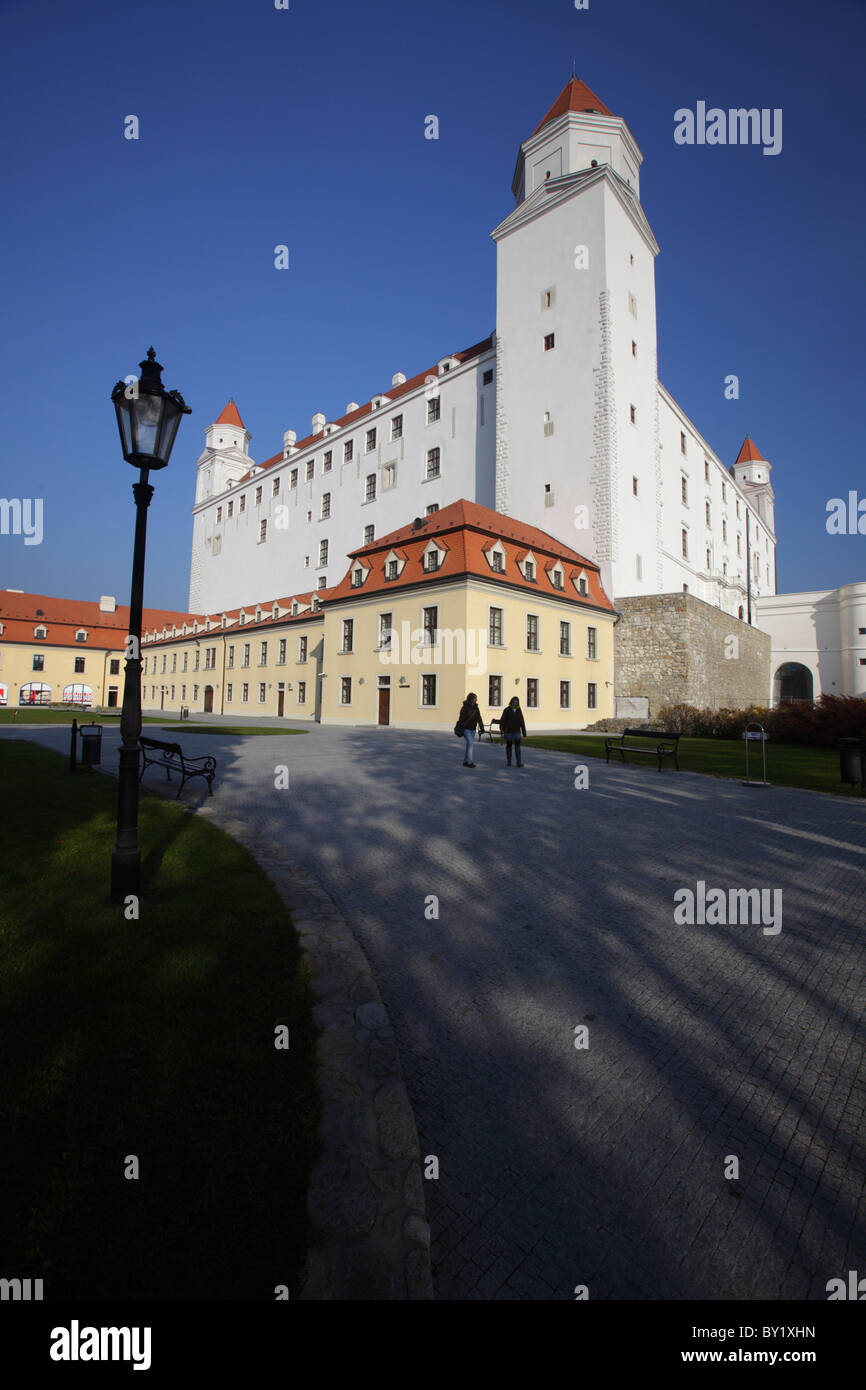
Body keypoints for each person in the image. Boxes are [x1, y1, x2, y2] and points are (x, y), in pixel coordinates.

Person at [457, 691, 484, 767]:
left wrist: (482, 727)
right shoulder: (465, 707)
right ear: (471, 699)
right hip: (466, 729)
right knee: (470, 744)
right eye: (475, 698)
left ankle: (465, 761)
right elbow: (461, 718)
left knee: (469, 745)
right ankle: (470, 762)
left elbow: (479, 718)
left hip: (473, 729)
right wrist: (461, 726)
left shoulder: (476, 708)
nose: (476, 700)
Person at [500, 695, 527, 766]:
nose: (515, 703)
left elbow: (522, 721)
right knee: (509, 746)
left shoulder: (519, 710)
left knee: (517, 747)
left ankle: (519, 762)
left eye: (516, 702)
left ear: (518, 703)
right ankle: (509, 761)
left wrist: (524, 732)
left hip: (517, 731)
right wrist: (502, 728)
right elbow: (503, 720)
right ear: (511, 702)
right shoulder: (507, 710)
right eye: (514, 702)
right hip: (509, 731)